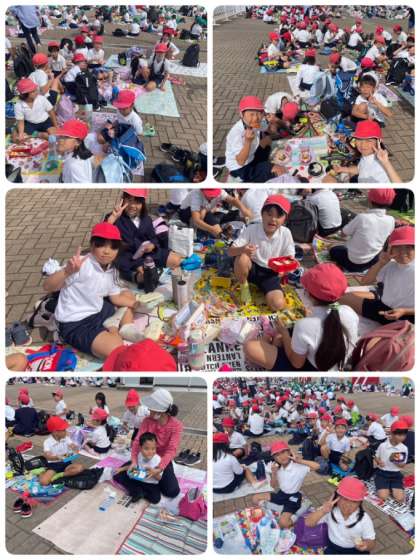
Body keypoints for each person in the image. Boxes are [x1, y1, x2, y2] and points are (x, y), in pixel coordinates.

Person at [43, 222, 138, 359]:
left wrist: (136, 304)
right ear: (92, 245)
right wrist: (66, 271)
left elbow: (116, 297)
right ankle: (114, 328)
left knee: (128, 295)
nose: (107, 251)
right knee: (115, 349)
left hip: (97, 310)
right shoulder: (80, 264)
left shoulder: (112, 269)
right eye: (101, 245)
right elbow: (47, 286)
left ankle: (123, 327)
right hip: (75, 322)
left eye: (113, 247)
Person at [245, 263, 359, 371]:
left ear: (308, 294)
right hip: (335, 366)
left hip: (310, 369)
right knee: (278, 338)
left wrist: (285, 333)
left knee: (251, 347)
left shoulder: (304, 325)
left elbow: (297, 363)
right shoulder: (349, 312)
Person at [228, 194, 294, 310]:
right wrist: (243, 249)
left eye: (278, 216)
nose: (273, 219)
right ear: (262, 214)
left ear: (285, 219)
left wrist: (283, 271)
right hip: (252, 269)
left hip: (270, 274)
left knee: (277, 305)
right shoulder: (251, 229)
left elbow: (289, 259)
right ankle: (244, 287)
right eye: (269, 214)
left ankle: (264, 289)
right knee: (242, 258)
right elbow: (230, 251)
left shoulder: (286, 233)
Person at [106, 189, 182, 286]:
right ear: (123, 200)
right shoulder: (115, 218)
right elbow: (103, 237)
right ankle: (136, 275)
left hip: (147, 255)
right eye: (129, 200)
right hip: (128, 257)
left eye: (137, 202)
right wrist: (112, 219)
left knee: (176, 260)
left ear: (142, 204)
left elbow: (153, 238)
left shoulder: (146, 219)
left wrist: (152, 245)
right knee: (143, 276)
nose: (132, 206)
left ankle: (149, 270)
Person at [339, 226, 414, 324]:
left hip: (408, 316)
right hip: (384, 308)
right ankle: (376, 295)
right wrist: (381, 262)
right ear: (390, 249)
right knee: (342, 297)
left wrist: (404, 311)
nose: (403, 252)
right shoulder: (390, 265)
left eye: (408, 247)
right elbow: (365, 281)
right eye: (398, 247)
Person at [122, 389, 183, 499]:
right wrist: (134, 461)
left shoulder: (176, 425)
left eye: (152, 408)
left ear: (160, 411)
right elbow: (137, 442)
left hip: (162, 460)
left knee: (172, 491)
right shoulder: (147, 421)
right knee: (128, 473)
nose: (149, 410)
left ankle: (147, 485)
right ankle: (143, 485)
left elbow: (171, 450)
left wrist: (159, 469)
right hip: (145, 456)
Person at [255, 441, 320, 528]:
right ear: (274, 458)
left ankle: (303, 507)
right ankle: (281, 508)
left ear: (289, 452)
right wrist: (274, 473)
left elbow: (317, 466)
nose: (281, 456)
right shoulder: (277, 468)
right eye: (277, 455)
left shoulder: (298, 467)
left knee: (283, 523)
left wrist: (300, 461)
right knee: (255, 498)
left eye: (283, 452)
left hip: (294, 496)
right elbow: (273, 486)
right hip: (281, 494)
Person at [329, 189, 395, 273]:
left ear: (369, 200)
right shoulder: (391, 220)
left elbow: (343, 234)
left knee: (334, 250)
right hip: (372, 261)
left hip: (352, 262)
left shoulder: (362, 217)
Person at [225, 96, 287, 182]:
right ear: (242, 114)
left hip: (252, 155)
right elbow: (240, 161)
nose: (256, 118)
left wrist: (272, 121)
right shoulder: (237, 133)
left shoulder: (255, 123)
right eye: (251, 114)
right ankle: (254, 179)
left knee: (267, 139)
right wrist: (248, 141)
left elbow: (269, 129)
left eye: (258, 113)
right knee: (280, 170)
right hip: (241, 168)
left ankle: (263, 167)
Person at [305, 477, 376, 554]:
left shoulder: (365, 519)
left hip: (353, 549)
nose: (348, 505)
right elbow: (308, 523)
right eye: (345, 499)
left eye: (354, 501)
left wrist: (366, 545)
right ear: (337, 498)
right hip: (333, 546)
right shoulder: (329, 510)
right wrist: (323, 511)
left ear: (359, 503)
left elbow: (371, 541)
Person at [333, 121, 402, 183]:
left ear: (378, 142)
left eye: (369, 141)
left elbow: (399, 187)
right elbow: (360, 168)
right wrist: (343, 169)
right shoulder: (366, 155)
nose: (363, 145)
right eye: (359, 139)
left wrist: (386, 163)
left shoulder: (381, 164)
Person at [179, 188, 250, 238]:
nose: (213, 196)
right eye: (210, 195)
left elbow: (233, 200)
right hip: (186, 213)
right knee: (203, 215)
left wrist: (243, 209)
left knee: (218, 229)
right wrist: (211, 229)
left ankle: (204, 229)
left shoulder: (220, 191)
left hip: (206, 210)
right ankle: (195, 229)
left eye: (214, 194)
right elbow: (196, 220)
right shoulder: (196, 194)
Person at [114, 432, 162, 503]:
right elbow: (132, 467)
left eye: (153, 449)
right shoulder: (139, 455)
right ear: (140, 448)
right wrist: (121, 469)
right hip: (138, 477)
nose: (150, 452)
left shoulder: (158, 460)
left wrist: (153, 473)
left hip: (150, 483)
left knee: (155, 499)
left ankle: (140, 492)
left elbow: (159, 478)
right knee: (117, 476)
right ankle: (138, 491)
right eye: (146, 449)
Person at [38, 416, 84, 486]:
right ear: (55, 432)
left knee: (80, 468)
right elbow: (48, 456)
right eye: (63, 430)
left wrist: (75, 448)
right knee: (44, 482)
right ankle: (42, 473)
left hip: (66, 462)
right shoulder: (47, 442)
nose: (66, 431)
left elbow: (72, 446)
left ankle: (60, 475)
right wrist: (57, 457)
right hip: (54, 465)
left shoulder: (66, 438)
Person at [12, 78, 58, 143]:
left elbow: (51, 112)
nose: (36, 92)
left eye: (36, 90)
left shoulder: (41, 99)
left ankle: (37, 134)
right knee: (21, 137)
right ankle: (39, 134)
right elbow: (21, 121)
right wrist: (21, 134)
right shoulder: (18, 105)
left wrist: (56, 125)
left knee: (54, 136)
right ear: (25, 94)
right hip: (31, 124)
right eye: (33, 91)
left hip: (45, 122)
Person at [374, 420, 409, 503]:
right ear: (392, 433)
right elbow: (376, 456)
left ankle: (390, 487)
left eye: (404, 435)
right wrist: (379, 461)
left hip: (396, 474)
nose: (402, 437)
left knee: (400, 498)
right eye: (399, 435)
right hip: (382, 473)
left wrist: (397, 462)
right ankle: (386, 486)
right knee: (383, 496)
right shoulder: (383, 446)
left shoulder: (404, 448)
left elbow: (402, 465)